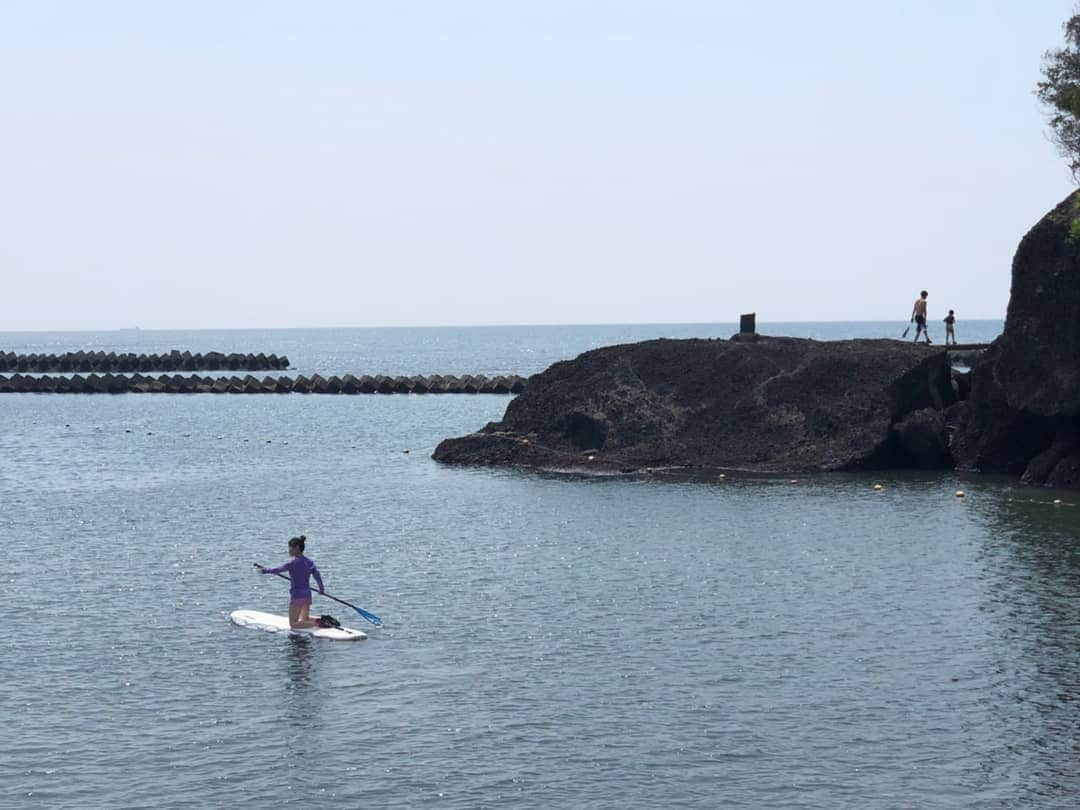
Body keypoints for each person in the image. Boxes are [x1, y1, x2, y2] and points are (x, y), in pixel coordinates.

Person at [257, 535, 328, 628]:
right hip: (307, 595)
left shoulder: (292, 563)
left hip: (297, 596)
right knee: (305, 618)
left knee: (293, 624)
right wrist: (321, 589)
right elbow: (317, 576)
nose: (289, 550)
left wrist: (264, 570)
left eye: (290, 548)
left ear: (297, 548)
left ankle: (318, 623)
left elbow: (277, 570)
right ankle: (323, 621)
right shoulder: (310, 562)